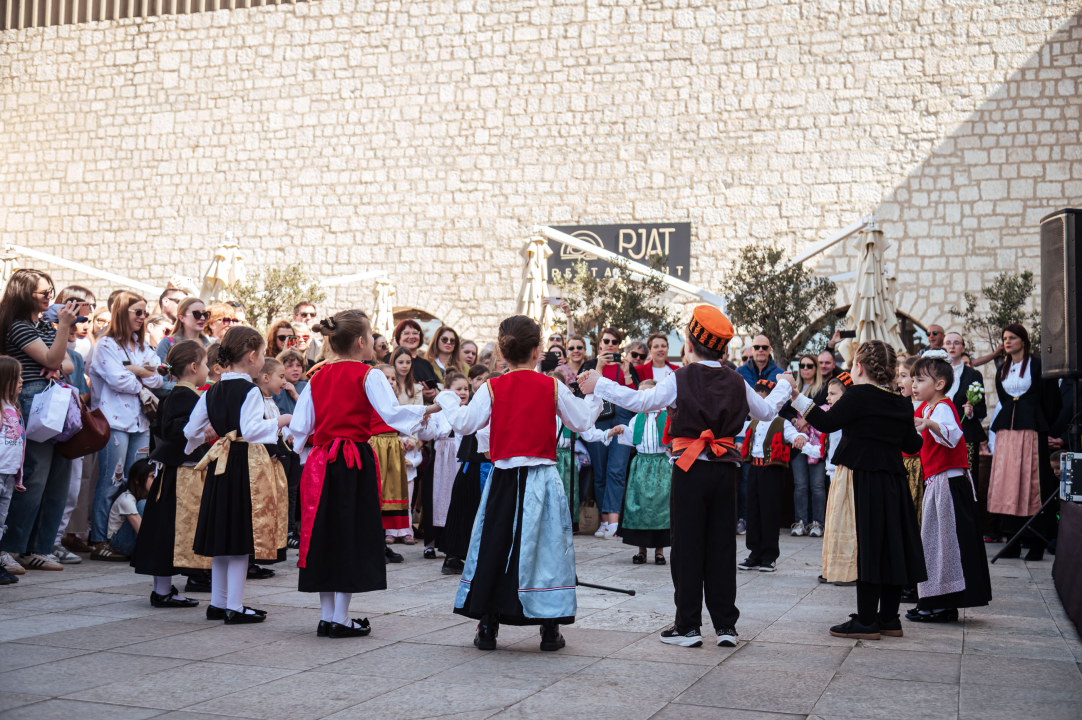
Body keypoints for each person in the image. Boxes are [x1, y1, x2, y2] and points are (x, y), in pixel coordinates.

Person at [581, 306, 794, 649]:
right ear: (723, 349)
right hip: (725, 470)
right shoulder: (736, 380)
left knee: (687, 546)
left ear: (690, 344)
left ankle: (688, 627)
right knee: (722, 547)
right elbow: (767, 411)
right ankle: (726, 626)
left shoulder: (679, 378)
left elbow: (641, 401)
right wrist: (783, 385)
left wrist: (599, 383)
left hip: (689, 469)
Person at [433, 315, 602, 652]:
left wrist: (448, 399)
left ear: (502, 351)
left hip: (504, 481)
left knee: (494, 545)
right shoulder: (551, 386)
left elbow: (465, 424)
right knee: (547, 549)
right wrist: (595, 393)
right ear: (538, 351)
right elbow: (582, 420)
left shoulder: (492, 387)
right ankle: (549, 628)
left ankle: (487, 625)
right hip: (541, 479)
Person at [288, 310, 431, 637]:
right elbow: (391, 413)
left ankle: (327, 616)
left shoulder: (317, 377)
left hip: (322, 462)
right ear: (360, 341)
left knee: (325, 533)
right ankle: (340, 617)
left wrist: (299, 448)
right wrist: (429, 409)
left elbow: (300, 426)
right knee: (350, 533)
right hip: (353, 460)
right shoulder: (370, 375)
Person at [787, 340, 925, 641]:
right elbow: (912, 444)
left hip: (862, 479)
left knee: (868, 547)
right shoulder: (901, 400)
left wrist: (796, 397)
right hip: (894, 481)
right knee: (890, 546)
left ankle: (866, 620)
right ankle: (889, 619)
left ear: (859, 367)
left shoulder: (860, 394)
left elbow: (827, 422)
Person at [183, 326, 292, 624]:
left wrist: (205, 442)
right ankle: (234, 605)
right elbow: (252, 430)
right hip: (244, 466)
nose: (264, 361)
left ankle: (218, 603)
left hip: (221, 466)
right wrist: (281, 421)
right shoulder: (250, 390)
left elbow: (190, 431)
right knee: (241, 537)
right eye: (263, 355)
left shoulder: (212, 390)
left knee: (223, 536)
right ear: (252, 356)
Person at [0, 270, 78, 572]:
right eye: (44, 293)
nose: (50, 297)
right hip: (34, 400)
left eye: (50, 291)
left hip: (54, 399)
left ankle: (39, 548)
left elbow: (67, 363)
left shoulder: (44, 325)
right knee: (34, 477)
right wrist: (63, 331)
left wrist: (56, 361)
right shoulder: (18, 326)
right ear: (24, 294)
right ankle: (11, 547)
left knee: (58, 478)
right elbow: (53, 359)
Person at [906, 352, 992, 623]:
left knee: (945, 545)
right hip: (938, 483)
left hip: (950, 484)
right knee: (936, 544)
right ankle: (936, 603)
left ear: (940, 384)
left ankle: (941, 605)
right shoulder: (927, 408)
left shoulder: (942, 407)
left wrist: (930, 424)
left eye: (920, 380)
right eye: (913, 379)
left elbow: (953, 435)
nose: (914, 385)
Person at [131, 340, 209, 609]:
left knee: (164, 531)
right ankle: (163, 591)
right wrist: (203, 432)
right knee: (170, 531)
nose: (208, 369)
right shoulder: (185, 396)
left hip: (172, 473)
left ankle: (162, 589)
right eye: (205, 364)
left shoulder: (174, 395)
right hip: (181, 475)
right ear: (194, 367)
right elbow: (178, 430)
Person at [88, 291, 162, 560]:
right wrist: (141, 372)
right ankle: (99, 540)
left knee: (137, 482)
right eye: (138, 312)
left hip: (141, 423)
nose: (143, 317)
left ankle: (123, 540)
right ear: (122, 313)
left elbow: (158, 378)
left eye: (145, 313)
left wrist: (136, 371)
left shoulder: (143, 347)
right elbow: (117, 379)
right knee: (112, 481)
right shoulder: (105, 344)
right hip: (114, 422)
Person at [986, 324, 1061, 560]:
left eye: (1012, 338)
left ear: (1023, 340)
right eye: (1004, 338)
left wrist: (1041, 422)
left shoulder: (1037, 365)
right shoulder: (1003, 368)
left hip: (1031, 429)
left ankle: (1036, 542)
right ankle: (1012, 540)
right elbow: (1004, 399)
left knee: (1030, 482)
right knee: (1007, 481)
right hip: (1007, 431)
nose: (1007, 342)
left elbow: (1051, 400)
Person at [739, 379, 809, 572]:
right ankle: (754, 553)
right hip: (754, 469)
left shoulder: (781, 423)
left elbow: (794, 434)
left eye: (762, 400)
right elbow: (735, 428)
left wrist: (800, 437)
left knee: (769, 512)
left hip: (771, 470)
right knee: (753, 511)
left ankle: (769, 556)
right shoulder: (752, 423)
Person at [582, 327, 638, 538]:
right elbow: (584, 391)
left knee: (616, 470)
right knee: (600, 472)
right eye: (606, 341)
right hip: (599, 418)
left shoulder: (627, 366)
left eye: (615, 342)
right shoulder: (590, 365)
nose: (610, 345)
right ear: (600, 344)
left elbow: (636, 398)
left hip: (622, 418)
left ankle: (613, 522)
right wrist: (598, 366)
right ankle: (604, 521)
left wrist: (626, 373)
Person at [610, 379, 671, 565]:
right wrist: (622, 429)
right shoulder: (636, 418)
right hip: (641, 464)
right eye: (642, 394)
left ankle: (659, 551)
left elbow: (672, 439)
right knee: (640, 505)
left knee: (661, 507)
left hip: (661, 465)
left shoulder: (667, 416)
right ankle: (641, 550)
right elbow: (632, 438)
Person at [418, 373, 471, 561]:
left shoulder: (469, 411)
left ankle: (454, 542)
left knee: (456, 499)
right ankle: (430, 543)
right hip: (441, 459)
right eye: (458, 389)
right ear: (447, 391)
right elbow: (429, 434)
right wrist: (425, 421)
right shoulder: (439, 412)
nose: (463, 392)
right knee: (435, 498)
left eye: (466, 389)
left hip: (460, 459)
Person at [942, 332, 988, 494]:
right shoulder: (936, 373)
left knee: (966, 479)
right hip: (941, 435)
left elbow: (982, 410)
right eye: (948, 343)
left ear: (962, 348)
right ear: (943, 347)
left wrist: (971, 412)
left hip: (966, 434)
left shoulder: (973, 375)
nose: (952, 346)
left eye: (956, 343)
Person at [790, 353, 827, 538]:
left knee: (818, 485)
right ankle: (801, 522)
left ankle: (818, 523)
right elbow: (784, 411)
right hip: (797, 442)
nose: (805, 369)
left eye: (809, 365)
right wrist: (795, 421)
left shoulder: (823, 389)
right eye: (802, 365)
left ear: (816, 368)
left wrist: (806, 420)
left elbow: (826, 409)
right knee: (800, 485)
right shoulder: (792, 388)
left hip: (816, 443)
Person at [0, 357, 25, 584]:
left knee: (1, 522)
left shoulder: (14, 407)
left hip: (9, 474)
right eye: (17, 377)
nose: (21, 381)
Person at [105, 459, 154, 557]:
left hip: (136, 539)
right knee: (143, 504)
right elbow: (141, 530)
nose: (156, 480)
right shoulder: (126, 499)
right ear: (137, 480)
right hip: (120, 543)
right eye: (152, 476)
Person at [394, 319, 437, 401]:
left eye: (415, 333)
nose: (411, 336)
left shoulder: (426, 364)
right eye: (406, 333)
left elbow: (436, 386)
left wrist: (433, 393)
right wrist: (418, 394)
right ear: (398, 337)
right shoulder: (390, 360)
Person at [292, 301, 322, 366]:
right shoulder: (286, 341)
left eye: (312, 315)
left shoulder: (320, 347)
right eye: (304, 315)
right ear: (294, 317)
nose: (309, 318)